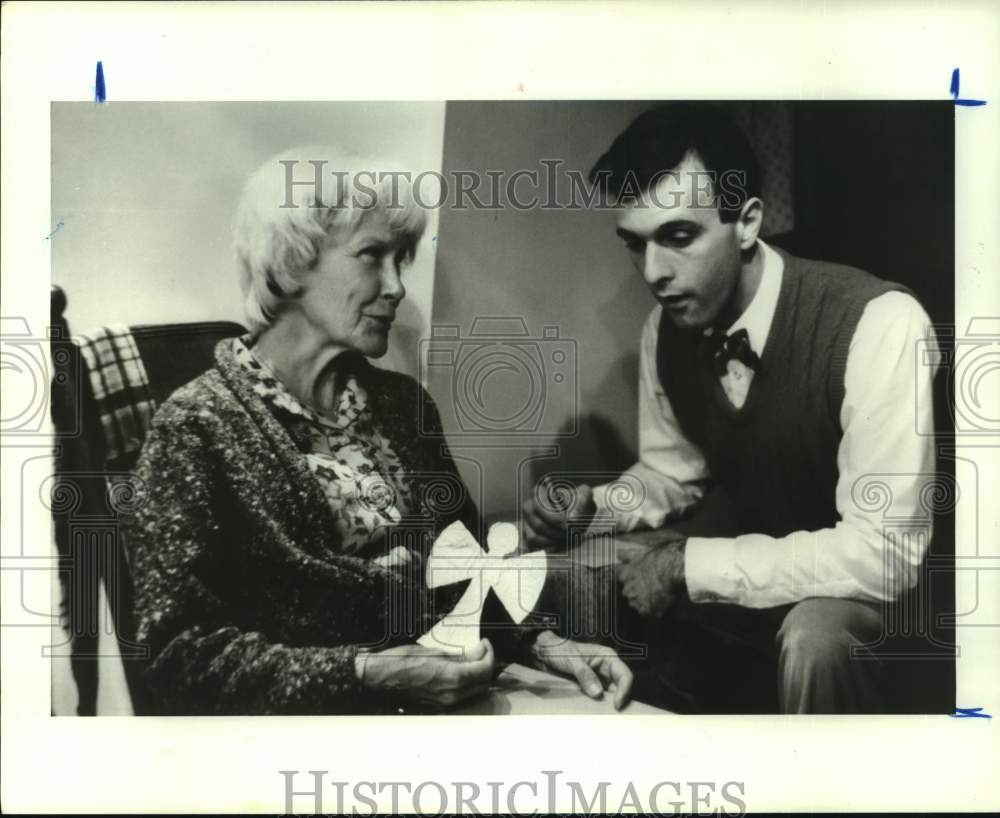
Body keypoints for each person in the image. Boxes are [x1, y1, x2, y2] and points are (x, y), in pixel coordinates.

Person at [125, 145, 632, 715]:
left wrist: (544, 643)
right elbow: (176, 657)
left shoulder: (400, 405)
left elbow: (462, 567)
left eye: (401, 260)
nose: (395, 287)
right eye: (372, 255)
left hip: (446, 702)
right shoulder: (196, 430)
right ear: (292, 264)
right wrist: (367, 674)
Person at [520, 104, 938, 713]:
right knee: (563, 582)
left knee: (816, 638)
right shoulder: (663, 331)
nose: (654, 273)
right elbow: (673, 475)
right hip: (755, 577)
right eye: (634, 245)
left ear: (746, 223)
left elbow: (886, 556)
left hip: (890, 605)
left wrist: (691, 565)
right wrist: (596, 507)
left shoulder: (880, 322)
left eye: (679, 237)